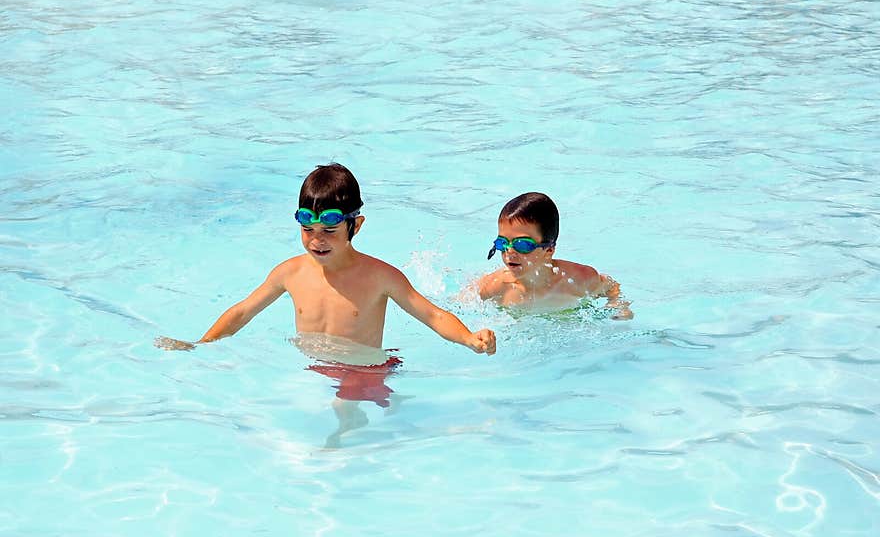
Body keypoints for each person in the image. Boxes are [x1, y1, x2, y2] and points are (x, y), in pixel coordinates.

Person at [156, 163, 496, 411]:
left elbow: (433, 315)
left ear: (355, 226)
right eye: (308, 230)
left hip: (365, 369)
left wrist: (469, 339)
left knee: (345, 416)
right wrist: (201, 344)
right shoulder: (290, 272)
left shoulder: (380, 276)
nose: (317, 241)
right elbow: (243, 311)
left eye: (329, 231)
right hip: (314, 367)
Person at [473, 192, 633, 318]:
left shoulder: (578, 279)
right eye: (502, 243)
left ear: (549, 250)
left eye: (522, 244)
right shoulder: (497, 286)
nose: (510, 252)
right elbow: (463, 301)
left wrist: (617, 303)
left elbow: (609, 285)